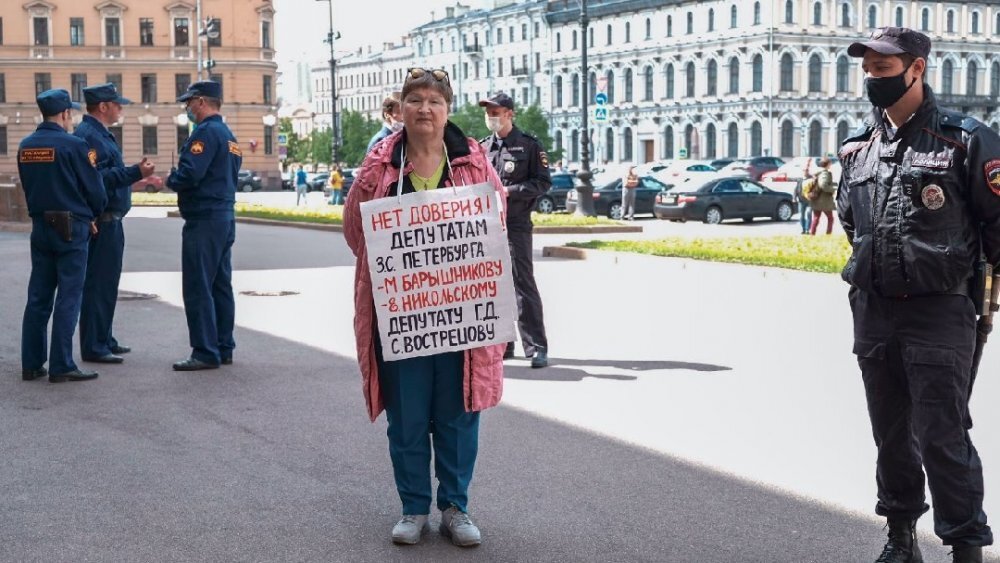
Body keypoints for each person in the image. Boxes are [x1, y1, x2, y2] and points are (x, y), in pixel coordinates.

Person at [838, 27, 999, 563]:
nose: (871, 79)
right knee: (890, 435)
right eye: (867, 70)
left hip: (940, 309)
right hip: (874, 310)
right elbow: (850, 221)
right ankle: (901, 536)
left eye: (882, 69)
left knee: (942, 436)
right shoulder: (857, 148)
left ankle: (965, 548)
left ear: (917, 69)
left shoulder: (966, 139)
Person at [344, 68, 505, 548]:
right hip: (404, 317)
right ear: (402, 108)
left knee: (457, 413)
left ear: (447, 109)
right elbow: (357, 231)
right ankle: (413, 507)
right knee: (409, 416)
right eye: (415, 99)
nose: (425, 109)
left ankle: (455, 506)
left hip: (462, 317)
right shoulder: (379, 165)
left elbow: (492, 229)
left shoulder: (473, 162)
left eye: (435, 100)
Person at [18, 89, 106, 383]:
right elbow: (96, 191)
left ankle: (31, 364)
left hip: (40, 226)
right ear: (66, 114)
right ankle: (62, 364)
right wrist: (92, 214)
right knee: (69, 295)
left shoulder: (26, 146)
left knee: (38, 296)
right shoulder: (74, 145)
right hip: (71, 227)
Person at [75, 82, 155, 364]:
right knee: (98, 284)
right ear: (103, 106)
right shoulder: (89, 136)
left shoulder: (100, 134)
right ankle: (94, 346)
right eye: (117, 103)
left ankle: (104, 338)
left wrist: (133, 173)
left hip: (112, 220)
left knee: (107, 284)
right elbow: (97, 179)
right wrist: (135, 172)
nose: (121, 107)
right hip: (102, 221)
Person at [166, 80, 242, 371]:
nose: (187, 108)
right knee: (220, 285)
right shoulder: (229, 136)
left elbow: (190, 173)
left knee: (198, 286)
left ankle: (204, 351)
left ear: (201, 101)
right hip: (223, 216)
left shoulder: (206, 133)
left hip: (204, 218)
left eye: (188, 102)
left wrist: (171, 180)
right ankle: (223, 346)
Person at [479, 91, 551, 368]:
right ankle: (503, 344)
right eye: (488, 113)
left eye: (495, 112)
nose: (491, 118)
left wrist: (509, 192)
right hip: (488, 226)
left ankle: (536, 347)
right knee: (495, 286)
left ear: (510, 114)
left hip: (516, 224)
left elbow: (542, 183)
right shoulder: (483, 147)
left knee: (523, 284)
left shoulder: (528, 145)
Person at [808, 157, 836, 235]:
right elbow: (823, 185)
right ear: (827, 164)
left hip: (816, 198)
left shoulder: (818, 172)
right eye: (830, 163)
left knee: (816, 218)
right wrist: (832, 189)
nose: (831, 165)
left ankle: (812, 234)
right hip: (823, 200)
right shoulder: (824, 173)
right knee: (830, 218)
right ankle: (828, 234)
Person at [793, 160, 813, 234]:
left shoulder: (811, 178)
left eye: (806, 170)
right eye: (804, 170)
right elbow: (796, 189)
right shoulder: (800, 179)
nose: (805, 171)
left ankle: (808, 229)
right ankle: (803, 229)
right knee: (801, 216)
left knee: (809, 214)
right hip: (801, 200)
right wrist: (794, 198)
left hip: (810, 201)